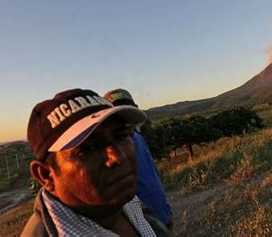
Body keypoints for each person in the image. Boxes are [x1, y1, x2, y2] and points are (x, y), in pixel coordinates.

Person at [21, 88, 170, 236]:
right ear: (46, 175)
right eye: (89, 148)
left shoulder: (122, 203)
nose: (119, 157)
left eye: (122, 136)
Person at [104, 89, 172, 228]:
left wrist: (165, 204)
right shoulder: (109, 152)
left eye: (127, 111)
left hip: (163, 214)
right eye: (116, 113)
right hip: (144, 224)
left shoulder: (139, 138)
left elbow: (152, 172)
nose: (124, 120)